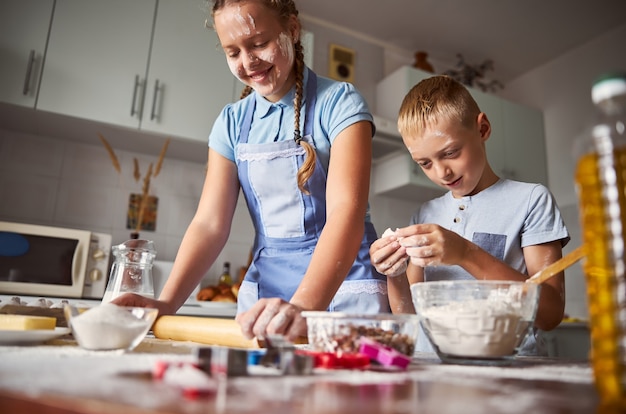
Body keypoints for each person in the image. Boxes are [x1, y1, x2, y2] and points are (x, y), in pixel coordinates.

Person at [113, 0, 389, 341]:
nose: (248, 61)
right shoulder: (231, 122)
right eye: (233, 52)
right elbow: (210, 224)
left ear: (292, 29)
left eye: (259, 44)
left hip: (346, 287)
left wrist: (304, 305)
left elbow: (346, 212)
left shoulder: (340, 103)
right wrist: (167, 303)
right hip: (268, 294)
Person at [369, 75, 569, 355]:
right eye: (425, 163)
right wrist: (395, 273)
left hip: (513, 372)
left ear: (483, 128)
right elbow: (408, 317)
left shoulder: (531, 200)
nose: (441, 172)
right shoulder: (424, 215)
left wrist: (465, 252)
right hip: (442, 374)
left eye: (450, 152)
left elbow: (549, 313)